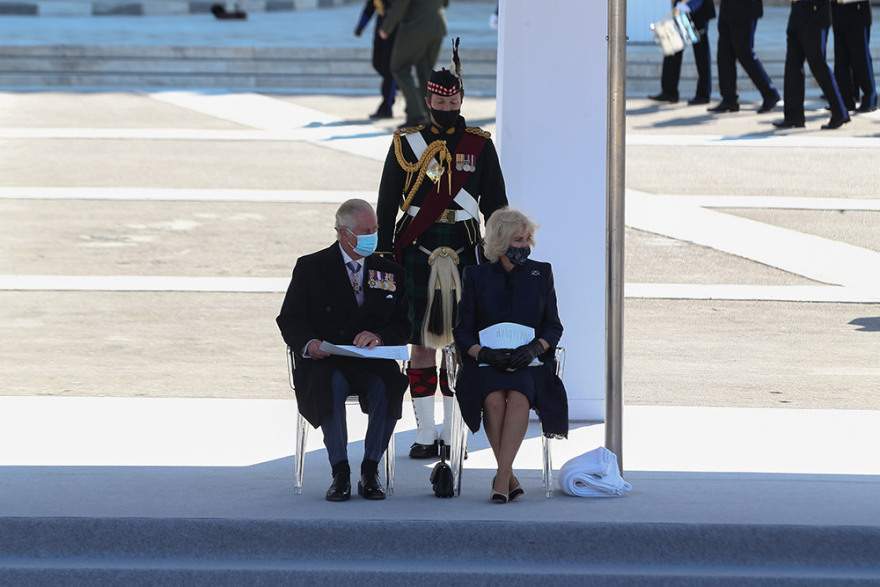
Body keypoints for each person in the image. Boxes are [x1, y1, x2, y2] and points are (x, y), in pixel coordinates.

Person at [376, 41, 507, 460]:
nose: (446, 105)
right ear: (428, 100)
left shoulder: (480, 145)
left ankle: (453, 433)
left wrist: (500, 253)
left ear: (461, 99)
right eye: (439, 99)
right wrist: (382, 250)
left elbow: (496, 205)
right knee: (421, 342)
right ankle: (425, 434)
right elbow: (385, 201)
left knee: (459, 345)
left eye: (453, 99)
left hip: (465, 248)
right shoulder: (407, 143)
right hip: (418, 247)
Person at [276, 199, 412, 502]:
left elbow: (405, 327)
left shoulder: (390, 272)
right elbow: (291, 318)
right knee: (330, 386)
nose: (373, 236)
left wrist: (378, 335)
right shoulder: (312, 267)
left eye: (375, 229)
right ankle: (339, 471)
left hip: (371, 360)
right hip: (327, 358)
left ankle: (370, 469)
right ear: (343, 233)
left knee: (389, 386)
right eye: (366, 230)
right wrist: (309, 344)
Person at [452, 208, 568, 503]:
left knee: (517, 395)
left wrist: (535, 348)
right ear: (501, 242)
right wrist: (484, 353)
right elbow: (462, 331)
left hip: (529, 363)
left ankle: (502, 478)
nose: (525, 245)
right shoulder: (475, 275)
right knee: (492, 396)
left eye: (528, 238)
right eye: (518, 239)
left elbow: (554, 326)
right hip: (487, 361)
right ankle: (508, 477)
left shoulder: (541, 273)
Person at [773, 0, 850, 130]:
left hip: (815, 14)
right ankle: (793, 115)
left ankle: (840, 112)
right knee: (792, 66)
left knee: (818, 64)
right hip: (797, 14)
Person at [378, 0, 448, 128]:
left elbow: (400, 5)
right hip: (438, 25)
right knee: (426, 72)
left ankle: (416, 114)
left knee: (399, 67)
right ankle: (431, 115)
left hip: (416, 27)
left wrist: (386, 27)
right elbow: (446, 3)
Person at [707, 0, 780, 114]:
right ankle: (729, 99)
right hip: (727, 8)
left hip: (745, 9)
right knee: (724, 54)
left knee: (744, 53)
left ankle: (770, 94)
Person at [648, 0, 716, 105]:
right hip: (680, 10)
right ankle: (669, 91)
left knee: (701, 54)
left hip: (698, 10)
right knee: (673, 48)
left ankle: (703, 94)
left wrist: (690, 5)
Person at [830, 0, 877, 113]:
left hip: (857, 11)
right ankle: (846, 101)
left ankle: (869, 98)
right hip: (838, 11)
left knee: (861, 59)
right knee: (841, 61)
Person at [355, 0, 397, 120]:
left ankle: (386, 107)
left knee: (389, 69)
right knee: (377, 63)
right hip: (381, 25)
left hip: (394, 27)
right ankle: (401, 85)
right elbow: (369, 8)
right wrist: (360, 26)